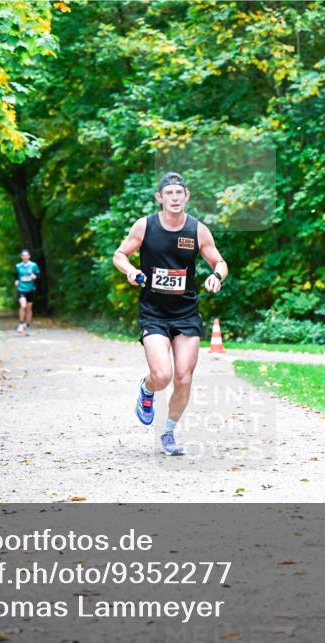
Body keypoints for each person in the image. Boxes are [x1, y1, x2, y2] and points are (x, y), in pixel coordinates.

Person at [112, 172, 228, 456]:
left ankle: (168, 432)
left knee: (184, 377)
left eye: (179, 193)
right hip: (153, 312)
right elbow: (119, 255)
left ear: (186, 196)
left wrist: (217, 276)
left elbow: (220, 261)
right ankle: (147, 389)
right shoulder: (145, 226)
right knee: (162, 375)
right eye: (169, 194)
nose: (174, 198)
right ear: (159, 198)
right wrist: (131, 271)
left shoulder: (197, 230)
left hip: (186, 313)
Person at [14, 248, 40, 335]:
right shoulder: (18, 266)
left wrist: (35, 276)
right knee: (23, 305)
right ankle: (21, 323)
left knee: (29, 308)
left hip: (31, 289)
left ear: (29, 256)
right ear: (21, 257)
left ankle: (27, 326)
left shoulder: (34, 265)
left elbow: (38, 275)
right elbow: (16, 275)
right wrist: (16, 280)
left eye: (26, 255)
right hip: (21, 289)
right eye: (23, 256)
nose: (25, 257)